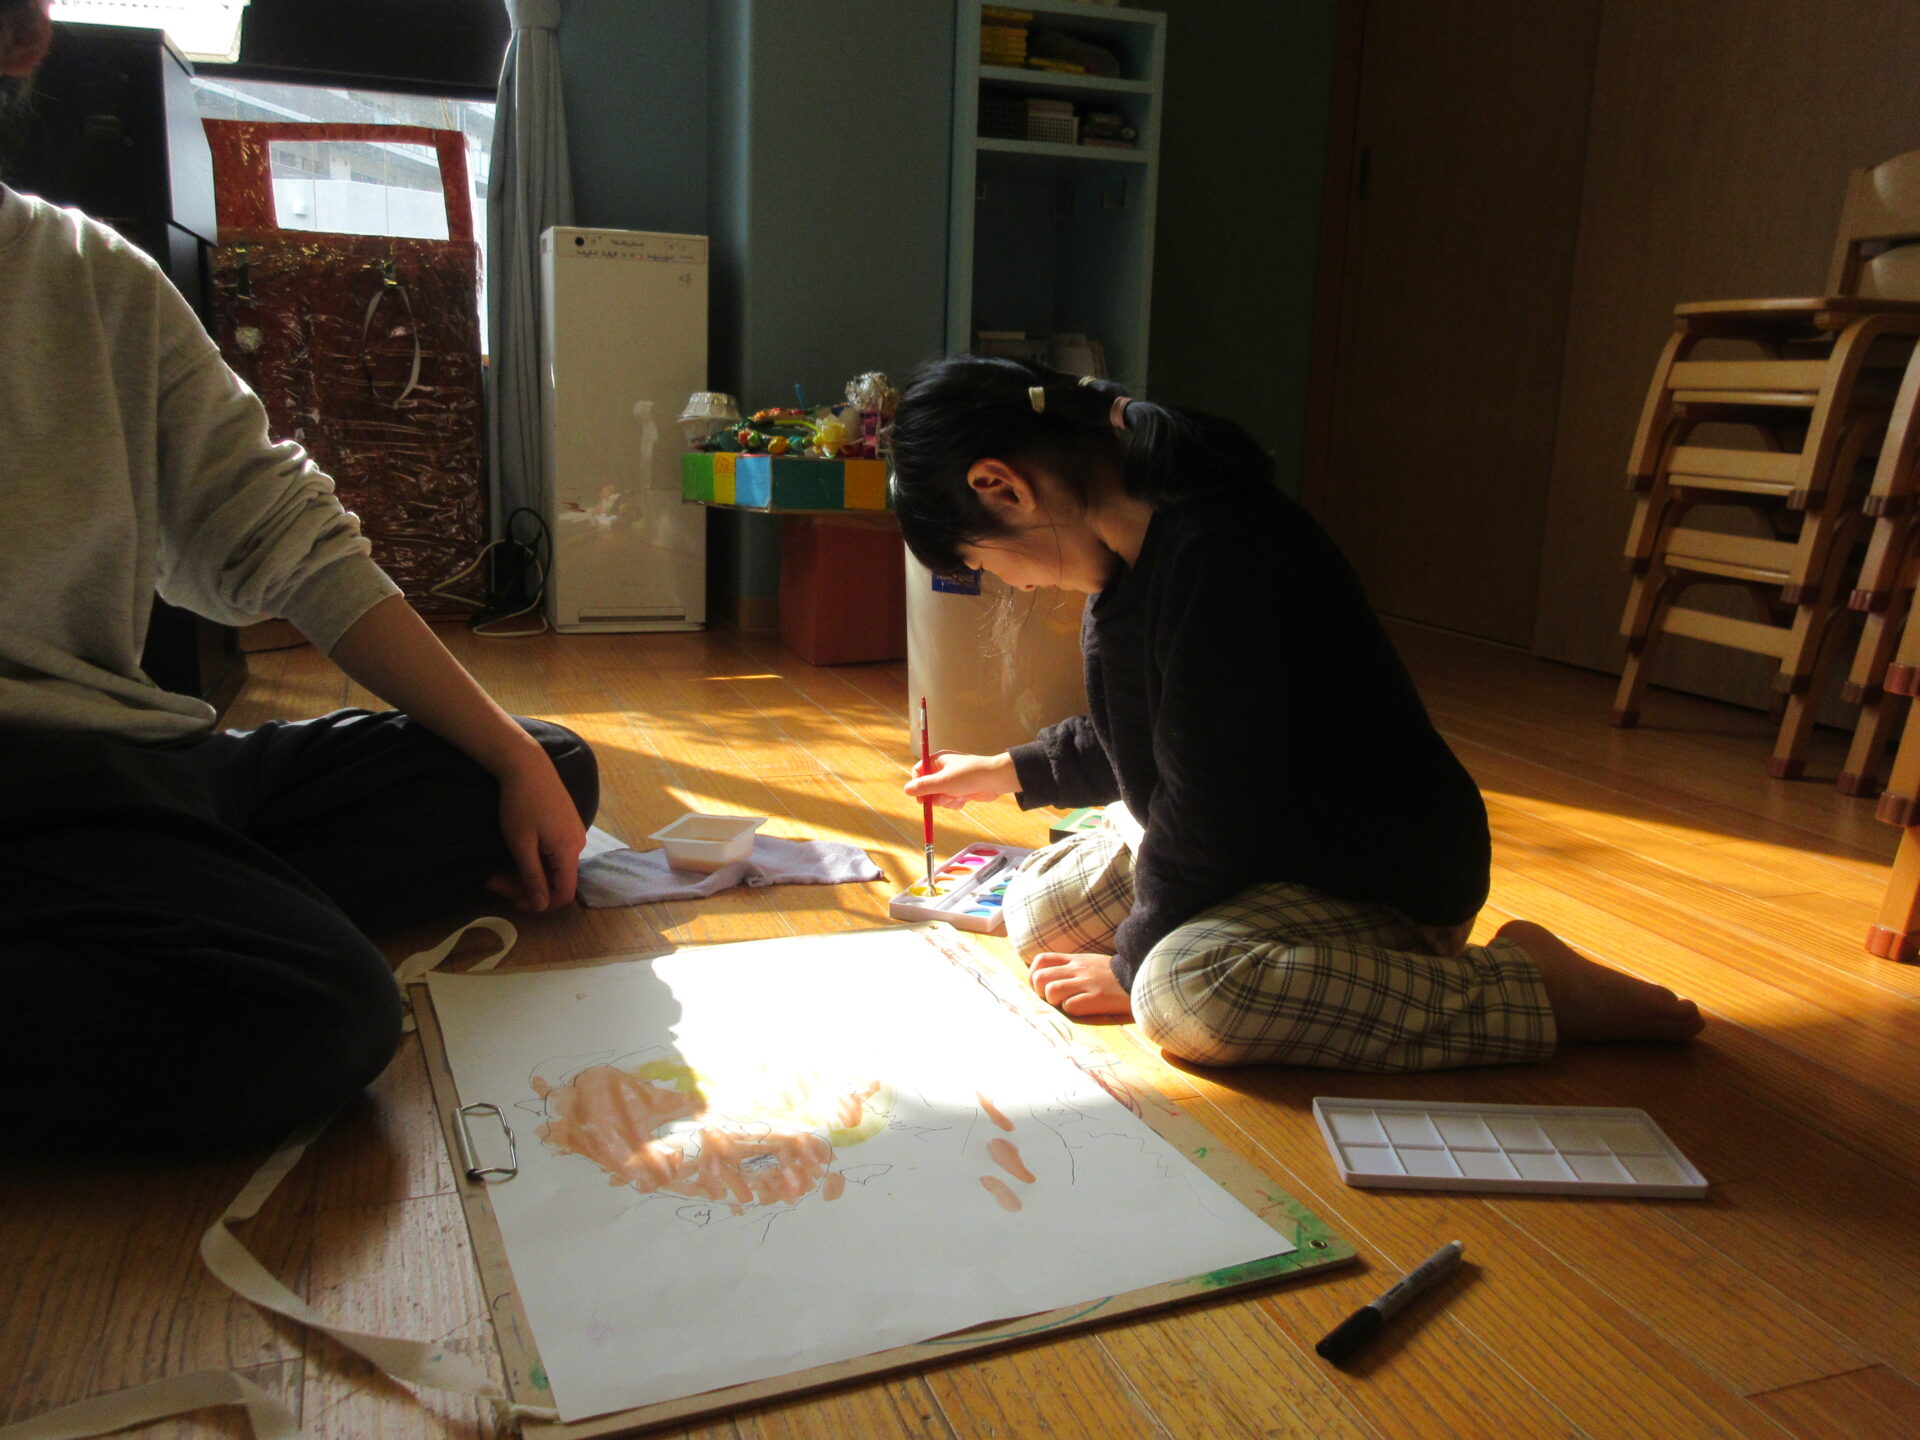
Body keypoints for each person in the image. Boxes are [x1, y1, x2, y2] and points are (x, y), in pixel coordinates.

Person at [0, 0, 597, 1152]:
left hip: (138, 758)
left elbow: (292, 536)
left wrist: (510, 755)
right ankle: (177, 910)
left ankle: (167, 901)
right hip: (33, 788)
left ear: (20, 43)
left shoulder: (90, 272)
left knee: (545, 777)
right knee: (319, 1018)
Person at [895, 355, 1703, 1072]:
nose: (1013, 584)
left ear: (1003, 486)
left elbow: (1214, 803)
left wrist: (1134, 960)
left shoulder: (1225, 553)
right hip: (1260, 842)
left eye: (982, 561)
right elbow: (1152, 736)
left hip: (1367, 875)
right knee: (1037, 917)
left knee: (1181, 994)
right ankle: (1179, 897)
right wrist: (1010, 770)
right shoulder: (1128, 560)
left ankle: (1527, 987)